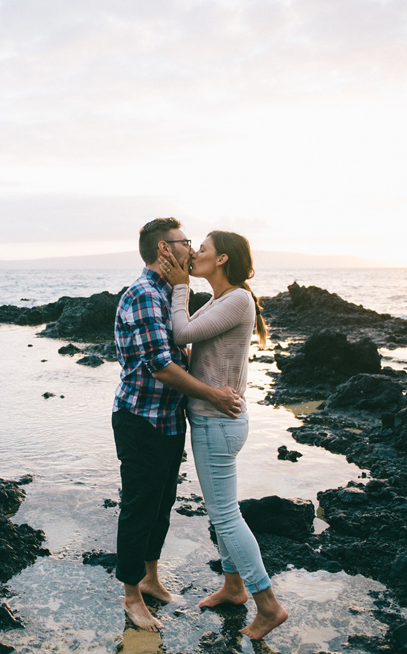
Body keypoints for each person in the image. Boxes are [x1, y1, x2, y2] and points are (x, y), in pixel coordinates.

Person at [112, 218, 242, 632]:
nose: (191, 249)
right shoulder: (145, 295)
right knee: (138, 507)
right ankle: (132, 596)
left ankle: (150, 578)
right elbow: (162, 367)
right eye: (186, 243)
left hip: (169, 420)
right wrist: (213, 394)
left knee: (162, 503)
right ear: (165, 249)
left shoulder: (171, 293)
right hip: (140, 419)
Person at [159, 230, 288, 640]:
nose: (194, 252)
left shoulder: (236, 299)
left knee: (226, 518)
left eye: (203, 249)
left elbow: (181, 334)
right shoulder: (221, 300)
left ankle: (267, 605)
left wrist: (179, 289)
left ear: (221, 259)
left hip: (218, 425)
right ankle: (234, 588)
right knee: (224, 511)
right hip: (216, 421)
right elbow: (202, 357)